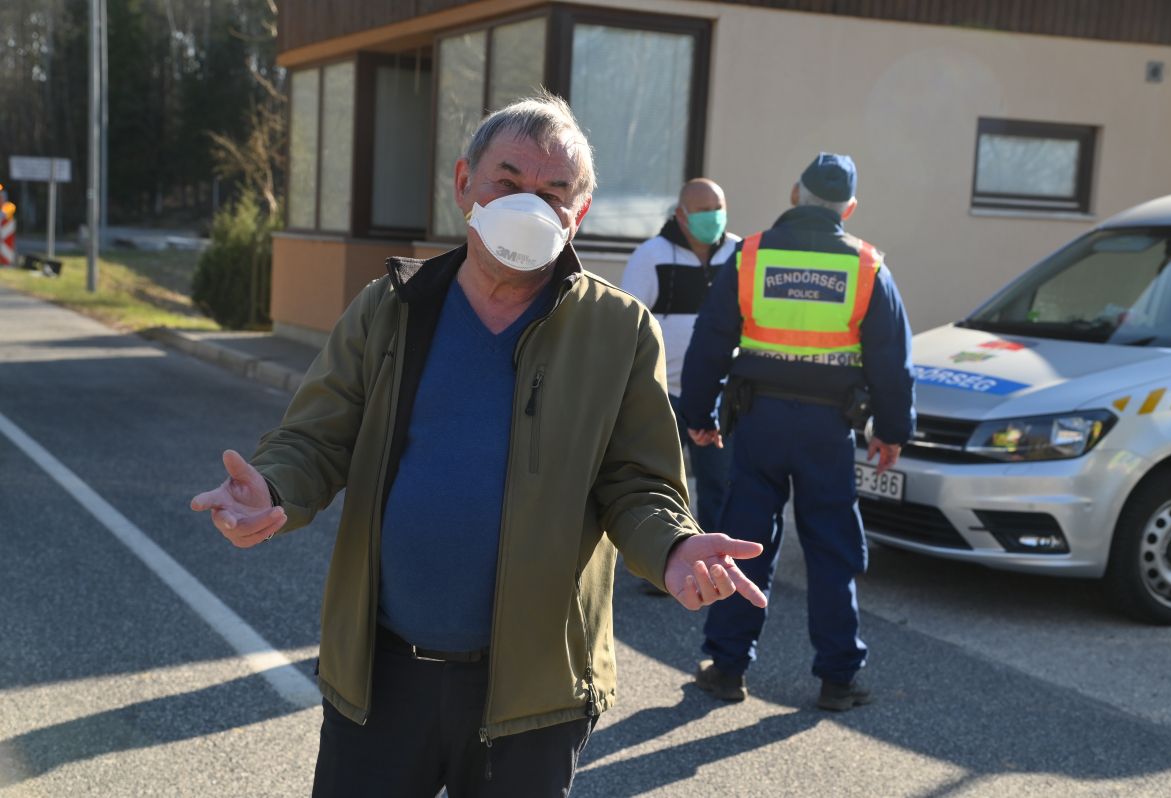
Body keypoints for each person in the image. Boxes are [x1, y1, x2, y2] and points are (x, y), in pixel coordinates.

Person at [189, 91, 767, 797]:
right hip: (381, 675)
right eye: (508, 181)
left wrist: (673, 546)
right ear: (465, 184)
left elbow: (638, 483)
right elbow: (318, 435)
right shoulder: (392, 308)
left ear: (579, 213)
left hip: (531, 693)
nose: (528, 205)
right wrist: (274, 486)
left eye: (552, 194)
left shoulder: (618, 331)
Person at [679, 152, 914, 710]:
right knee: (832, 548)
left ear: (794, 194)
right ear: (848, 209)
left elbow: (710, 341)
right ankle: (838, 678)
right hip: (828, 431)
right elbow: (891, 361)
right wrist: (891, 431)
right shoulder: (867, 266)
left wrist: (698, 416)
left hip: (757, 423)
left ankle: (728, 667)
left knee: (744, 543)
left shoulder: (750, 256)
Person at [621, 178, 740, 536]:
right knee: (663, 486)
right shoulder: (651, 256)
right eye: (704, 210)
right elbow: (628, 322)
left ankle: (719, 557)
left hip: (722, 396)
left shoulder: (740, 253)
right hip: (663, 395)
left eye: (718, 209)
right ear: (682, 214)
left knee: (721, 485)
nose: (713, 217)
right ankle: (663, 556)